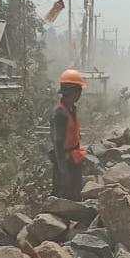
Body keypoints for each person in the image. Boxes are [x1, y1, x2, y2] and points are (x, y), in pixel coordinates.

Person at [50, 69, 87, 201]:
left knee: (75, 197)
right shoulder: (60, 113)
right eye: (79, 91)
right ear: (72, 91)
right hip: (64, 162)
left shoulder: (71, 108)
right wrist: (63, 171)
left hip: (73, 160)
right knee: (63, 199)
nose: (80, 95)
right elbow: (58, 144)